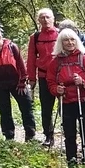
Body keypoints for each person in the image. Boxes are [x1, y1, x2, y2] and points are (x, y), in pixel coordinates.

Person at [48, 28, 85, 166]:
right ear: (61, 42)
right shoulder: (55, 62)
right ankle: (71, 162)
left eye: (72, 39)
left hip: (84, 101)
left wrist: (83, 82)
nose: (70, 43)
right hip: (66, 101)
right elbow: (50, 82)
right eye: (66, 40)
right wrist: (56, 89)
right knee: (69, 133)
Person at [0, 25, 36, 141]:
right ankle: (9, 136)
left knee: (26, 106)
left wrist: (22, 81)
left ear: (1, 34)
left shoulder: (11, 46)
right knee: (4, 111)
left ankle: (30, 134)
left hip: (16, 82)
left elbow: (20, 64)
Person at [26, 8, 60, 146]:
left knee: (65, 108)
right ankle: (49, 136)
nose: (45, 20)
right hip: (43, 76)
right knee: (46, 109)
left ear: (53, 19)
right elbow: (31, 59)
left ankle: (69, 136)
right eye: (42, 18)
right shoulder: (35, 37)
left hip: (60, 76)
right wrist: (31, 78)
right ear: (38, 20)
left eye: (48, 17)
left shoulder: (61, 34)